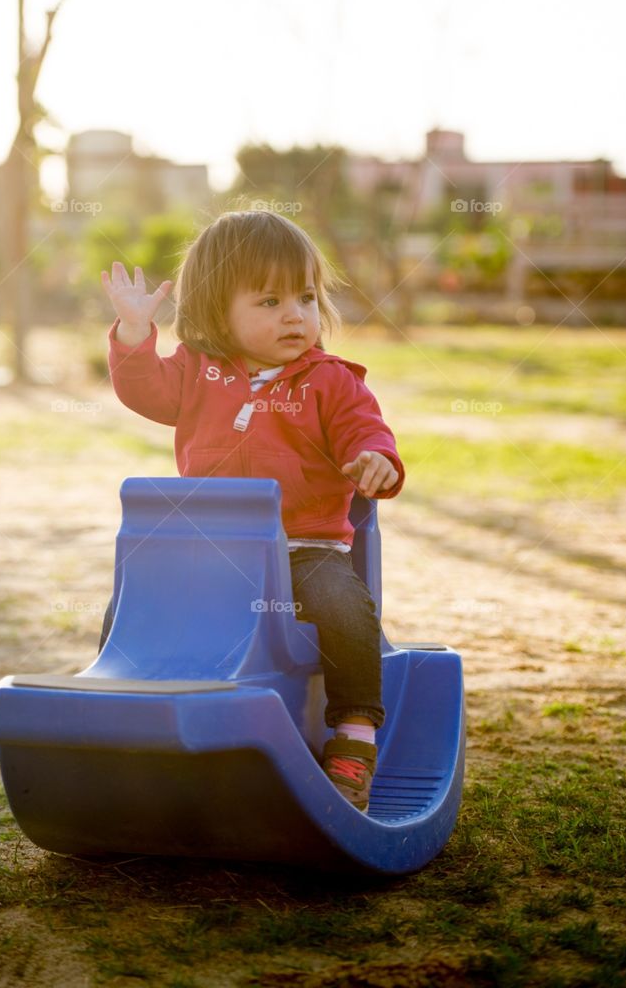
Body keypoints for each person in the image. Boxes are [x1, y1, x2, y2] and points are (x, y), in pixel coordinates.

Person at [99, 209, 405, 813]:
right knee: (130, 602)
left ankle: (352, 738)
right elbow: (143, 390)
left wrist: (376, 459)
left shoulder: (331, 381)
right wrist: (135, 334)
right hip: (208, 552)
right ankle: (123, 708)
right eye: (269, 300)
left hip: (304, 551)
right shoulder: (196, 370)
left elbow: (366, 432)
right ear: (217, 310)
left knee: (346, 609)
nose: (295, 314)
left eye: (306, 297)